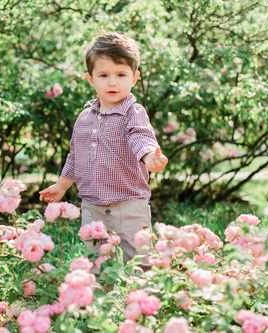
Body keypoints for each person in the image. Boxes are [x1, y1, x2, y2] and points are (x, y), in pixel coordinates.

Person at [39, 31, 168, 273]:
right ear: (91, 79)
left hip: (129, 204)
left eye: (121, 75)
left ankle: (143, 301)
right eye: (104, 75)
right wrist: (61, 186)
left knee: (140, 259)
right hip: (93, 205)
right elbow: (77, 155)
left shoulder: (133, 112)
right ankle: (101, 304)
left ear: (134, 77)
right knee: (96, 262)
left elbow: (140, 136)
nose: (112, 82)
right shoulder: (85, 117)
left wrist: (150, 156)